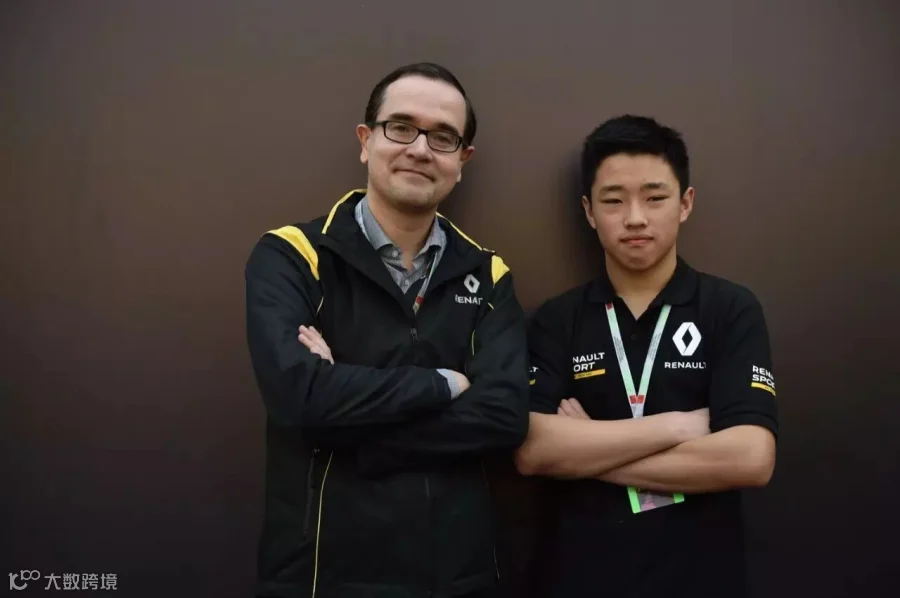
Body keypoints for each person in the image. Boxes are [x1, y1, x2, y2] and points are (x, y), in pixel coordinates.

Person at [244, 62, 531, 598]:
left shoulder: (489, 274)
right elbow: (297, 395)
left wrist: (348, 428)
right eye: (400, 127)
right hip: (320, 575)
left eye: (442, 137)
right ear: (365, 140)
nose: (420, 149)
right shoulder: (293, 256)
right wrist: (445, 384)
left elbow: (504, 415)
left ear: (462, 161)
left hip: (457, 578)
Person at [515, 115, 779, 598]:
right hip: (577, 578)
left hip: (700, 579)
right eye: (613, 200)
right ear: (589, 211)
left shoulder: (729, 308)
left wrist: (587, 449)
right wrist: (679, 426)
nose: (635, 217)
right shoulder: (558, 318)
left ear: (685, 203)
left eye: (655, 198)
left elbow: (750, 458)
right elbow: (533, 450)